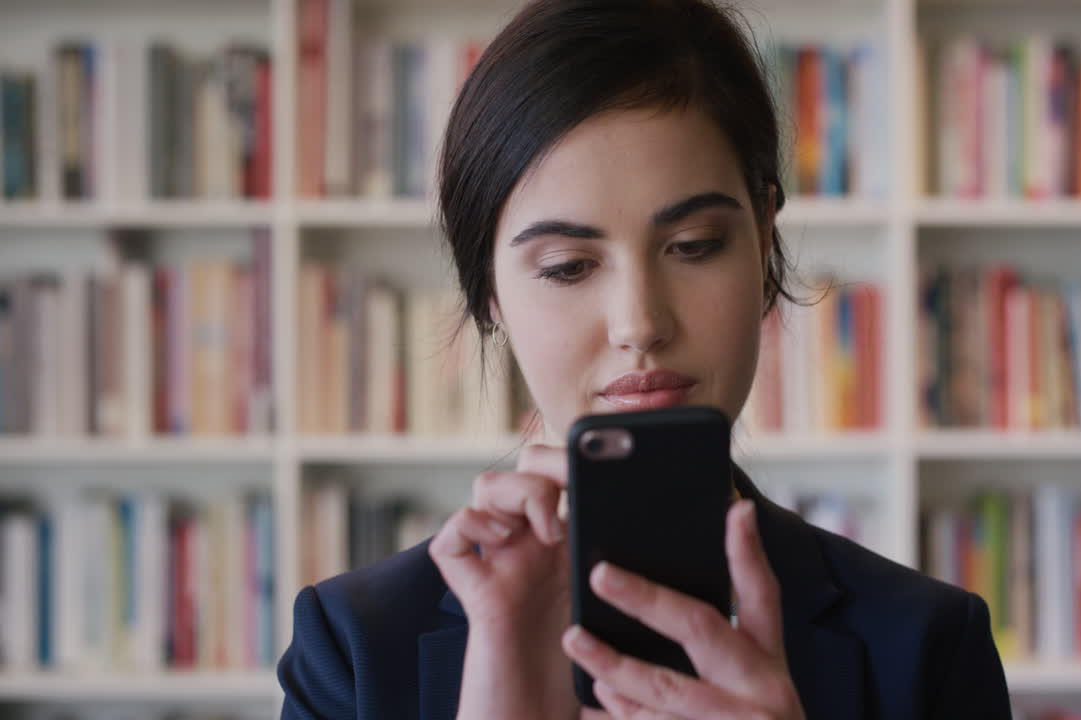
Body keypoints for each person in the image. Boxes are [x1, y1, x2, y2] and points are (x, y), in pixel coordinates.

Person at [277, 0, 1012, 717]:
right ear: (491, 293)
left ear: (763, 241)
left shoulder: (929, 648)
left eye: (694, 247)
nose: (640, 324)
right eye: (567, 266)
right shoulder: (353, 650)